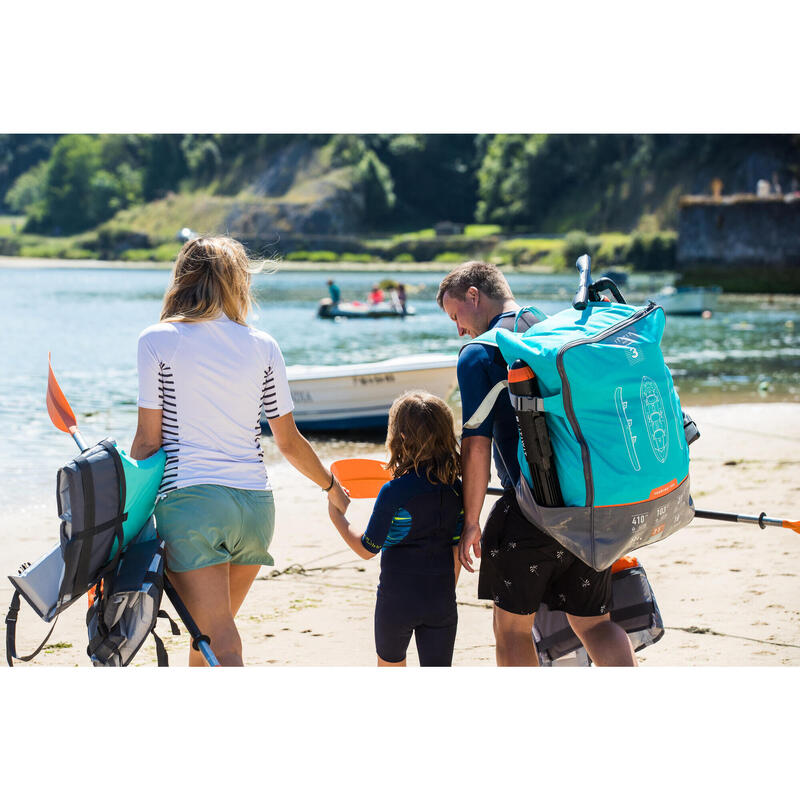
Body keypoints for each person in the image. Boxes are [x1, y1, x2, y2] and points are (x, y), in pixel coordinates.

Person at [130, 236, 350, 667]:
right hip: (254, 509)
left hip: (192, 505)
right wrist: (330, 486)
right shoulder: (262, 345)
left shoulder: (157, 340)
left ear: (182, 278)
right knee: (205, 637)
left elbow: (148, 442)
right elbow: (287, 440)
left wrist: (125, 515)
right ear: (237, 283)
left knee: (220, 640)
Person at [436, 261, 636, 667]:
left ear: (474, 296)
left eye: (456, 315)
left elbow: (476, 443)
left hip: (530, 511)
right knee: (595, 624)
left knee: (511, 631)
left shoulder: (480, 353)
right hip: (588, 504)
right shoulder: (553, 328)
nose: (458, 329)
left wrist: (471, 521)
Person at [327, 391, 464, 667]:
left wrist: (337, 515)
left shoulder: (393, 492)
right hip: (441, 599)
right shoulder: (457, 489)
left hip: (397, 600)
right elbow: (456, 548)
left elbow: (368, 548)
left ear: (400, 437)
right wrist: (443, 589)